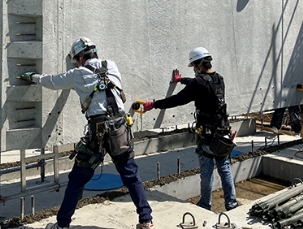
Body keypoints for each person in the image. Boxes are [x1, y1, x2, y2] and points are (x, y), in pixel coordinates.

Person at [20, 37, 154, 229]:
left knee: (78, 178)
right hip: (120, 129)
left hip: (97, 133)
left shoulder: (78, 74)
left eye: (76, 59)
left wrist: (33, 76)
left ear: (81, 56)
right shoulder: (112, 65)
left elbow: (52, 81)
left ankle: (62, 224)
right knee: (130, 175)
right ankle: (146, 220)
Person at [141, 47, 238, 212]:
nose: (193, 69)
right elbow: (199, 84)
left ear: (199, 64)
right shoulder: (219, 79)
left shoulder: (198, 83)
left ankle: (205, 205)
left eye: (194, 66)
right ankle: (232, 204)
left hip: (207, 136)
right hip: (223, 134)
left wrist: (154, 104)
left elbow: (179, 99)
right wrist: (181, 80)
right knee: (225, 168)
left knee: (206, 172)